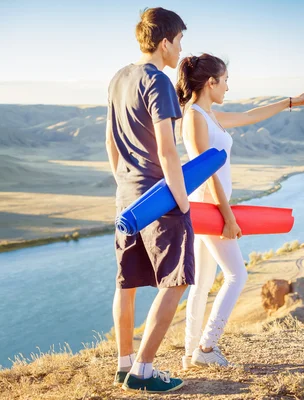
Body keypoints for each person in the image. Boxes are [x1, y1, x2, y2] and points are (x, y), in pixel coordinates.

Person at [175, 53, 304, 369]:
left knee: (201, 282)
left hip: (207, 206)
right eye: (224, 81)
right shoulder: (196, 117)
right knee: (237, 275)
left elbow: (252, 115)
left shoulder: (208, 114)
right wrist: (227, 216)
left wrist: (291, 102)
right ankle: (207, 346)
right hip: (211, 208)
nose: (227, 87)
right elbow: (206, 170)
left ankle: (190, 354)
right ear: (210, 82)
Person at [105, 7, 193, 393]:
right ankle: (143, 372)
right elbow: (168, 151)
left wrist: (124, 181)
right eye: (179, 42)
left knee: (126, 284)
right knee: (175, 282)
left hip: (126, 196)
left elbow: (110, 142)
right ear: (164, 43)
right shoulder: (157, 82)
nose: (180, 51)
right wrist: (182, 202)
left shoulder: (119, 78)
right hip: (159, 196)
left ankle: (124, 365)